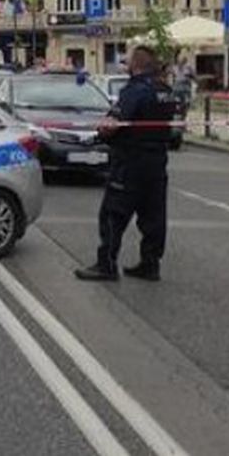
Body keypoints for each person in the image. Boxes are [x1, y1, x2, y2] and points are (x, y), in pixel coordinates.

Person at [76, 45, 176, 282]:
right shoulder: (165, 91)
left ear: (136, 65)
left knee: (113, 213)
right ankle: (150, 264)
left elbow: (115, 123)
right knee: (153, 216)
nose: (125, 65)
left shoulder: (135, 90)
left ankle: (106, 264)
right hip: (157, 163)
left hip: (130, 162)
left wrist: (101, 132)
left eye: (127, 61)